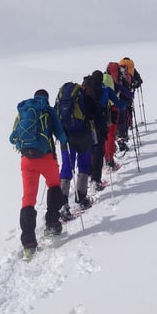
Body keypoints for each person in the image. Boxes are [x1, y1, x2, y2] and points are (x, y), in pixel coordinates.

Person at [9, 89, 67, 258]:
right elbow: (61, 136)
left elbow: (12, 138)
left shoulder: (24, 111)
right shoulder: (48, 110)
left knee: (28, 198)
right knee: (54, 186)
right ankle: (52, 224)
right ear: (46, 99)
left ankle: (28, 242)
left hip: (27, 161)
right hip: (46, 158)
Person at [57, 84, 94, 219]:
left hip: (66, 137)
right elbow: (92, 114)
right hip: (83, 135)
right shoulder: (84, 96)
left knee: (67, 167)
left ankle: (63, 204)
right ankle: (82, 198)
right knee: (83, 166)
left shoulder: (60, 99)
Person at [84, 70, 126, 186]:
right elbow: (118, 104)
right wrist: (125, 104)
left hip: (86, 122)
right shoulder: (106, 90)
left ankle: (89, 172)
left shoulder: (85, 88)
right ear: (102, 79)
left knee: (90, 148)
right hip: (99, 122)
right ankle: (96, 180)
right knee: (99, 150)